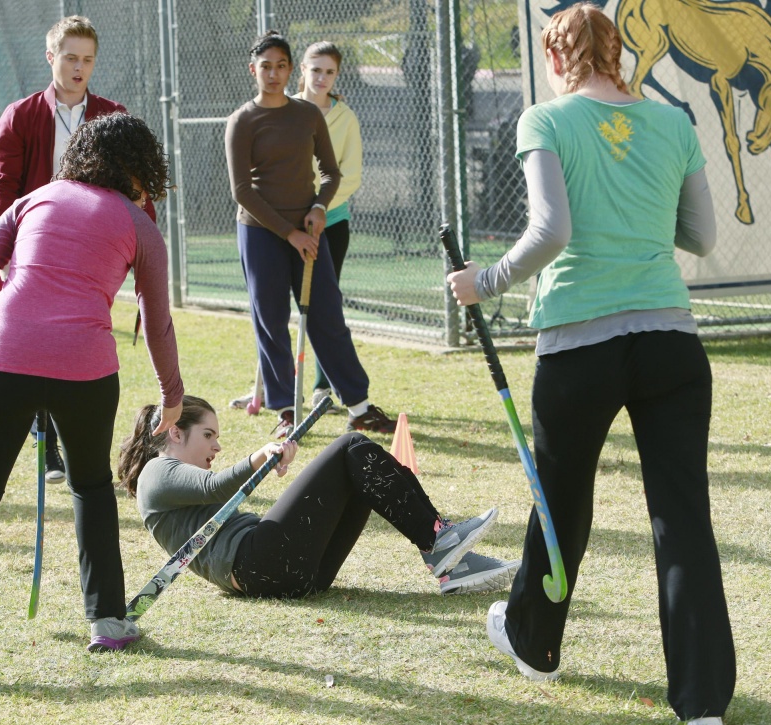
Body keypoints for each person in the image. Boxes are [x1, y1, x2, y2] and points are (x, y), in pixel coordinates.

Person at [446, 3, 734, 725]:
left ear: (555, 57)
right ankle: (702, 700)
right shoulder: (673, 123)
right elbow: (700, 235)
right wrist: (638, 211)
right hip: (671, 341)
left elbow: (552, 231)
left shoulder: (546, 119)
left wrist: (486, 281)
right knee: (682, 518)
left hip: (580, 342)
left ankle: (534, 642)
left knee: (561, 503)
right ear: (619, 53)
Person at [0, 113, 184, 673]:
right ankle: (105, 619)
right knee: (92, 487)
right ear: (140, 170)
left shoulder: (39, 197)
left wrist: (10, 314)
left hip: (4, 352)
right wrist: (171, 395)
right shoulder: (140, 225)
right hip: (87, 365)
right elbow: (157, 320)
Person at [117, 397, 521, 599]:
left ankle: (449, 558)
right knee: (350, 444)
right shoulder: (157, 472)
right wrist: (258, 456)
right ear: (174, 432)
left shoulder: (170, 478)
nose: (217, 446)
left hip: (290, 572)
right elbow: (215, 487)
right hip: (260, 563)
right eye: (209, 435)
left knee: (357, 472)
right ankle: (439, 543)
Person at [0, 15, 154, 484]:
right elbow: (6, 192)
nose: (79, 68)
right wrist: (5, 255)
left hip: (93, 251)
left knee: (76, 340)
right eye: (70, 58)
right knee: (34, 342)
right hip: (37, 250)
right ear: (51, 58)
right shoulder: (20, 116)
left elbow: (139, 188)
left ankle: (69, 442)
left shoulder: (112, 115)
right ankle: (47, 449)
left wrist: (144, 251)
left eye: (87, 60)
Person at [224, 31, 396, 439]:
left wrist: (319, 208)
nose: (274, 73)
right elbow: (242, 191)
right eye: (266, 66)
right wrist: (288, 233)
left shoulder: (307, 115)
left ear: (289, 70)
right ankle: (285, 410)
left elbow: (332, 173)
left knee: (326, 313)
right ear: (254, 70)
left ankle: (359, 406)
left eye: (281, 65)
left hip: (306, 229)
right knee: (270, 319)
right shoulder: (242, 120)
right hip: (261, 231)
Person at [295, 41, 362, 413]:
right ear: (301, 70)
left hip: (331, 222)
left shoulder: (346, 118)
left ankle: (323, 388)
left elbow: (350, 175)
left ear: (337, 76)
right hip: (287, 223)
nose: (321, 78)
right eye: (315, 69)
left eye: (329, 72)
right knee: (275, 306)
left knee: (324, 304)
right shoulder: (284, 110)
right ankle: (275, 394)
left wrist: (319, 207)